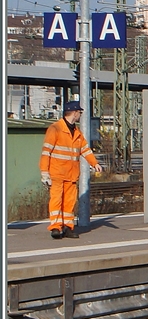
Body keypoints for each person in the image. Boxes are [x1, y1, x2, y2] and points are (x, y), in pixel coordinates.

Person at [39, 101, 102, 239]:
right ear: (74, 112)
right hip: (57, 173)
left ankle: (68, 226)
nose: (80, 115)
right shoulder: (55, 129)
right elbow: (46, 152)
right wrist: (44, 172)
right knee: (56, 200)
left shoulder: (76, 132)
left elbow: (85, 150)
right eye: (79, 112)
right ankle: (56, 227)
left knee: (69, 202)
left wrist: (94, 163)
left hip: (71, 174)